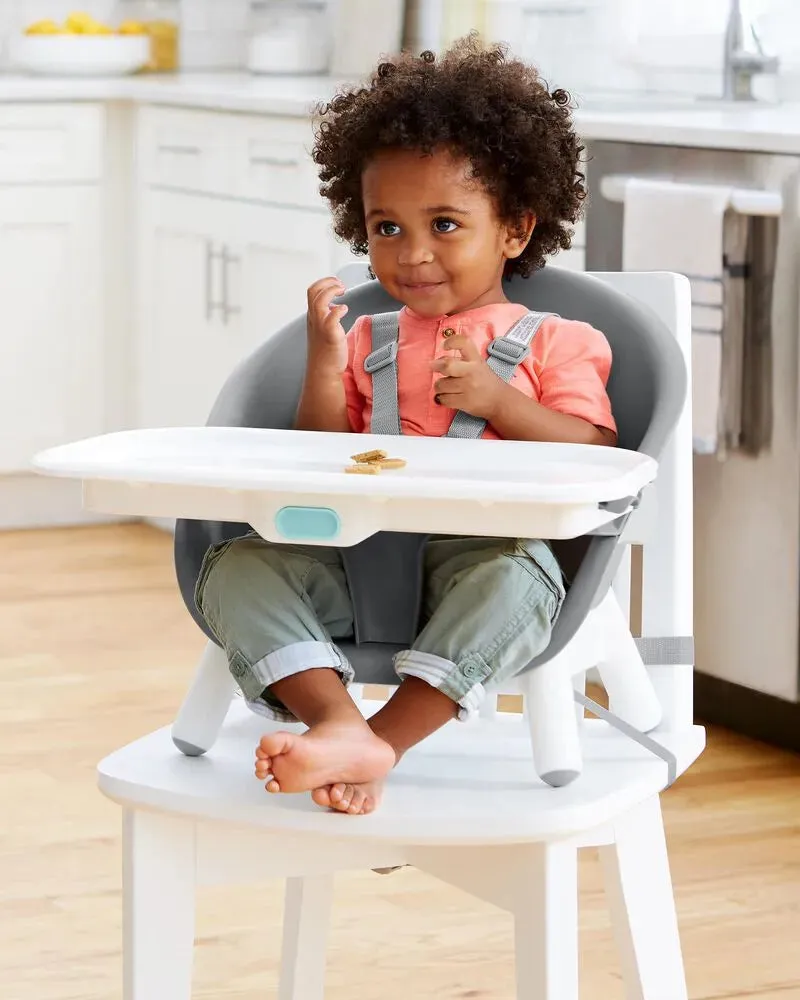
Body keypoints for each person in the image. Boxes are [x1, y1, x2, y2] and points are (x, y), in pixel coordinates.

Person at [195, 35, 617, 816]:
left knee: (520, 585)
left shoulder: (560, 340)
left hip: (481, 562)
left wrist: (499, 402)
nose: (413, 254)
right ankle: (335, 721)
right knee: (232, 567)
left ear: (516, 230)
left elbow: (598, 457)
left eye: (446, 225)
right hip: (355, 563)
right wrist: (325, 363)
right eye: (387, 228)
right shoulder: (369, 340)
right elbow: (323, 460)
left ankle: (382, 740)